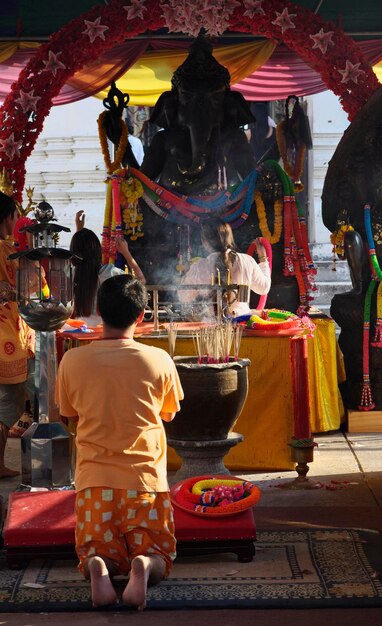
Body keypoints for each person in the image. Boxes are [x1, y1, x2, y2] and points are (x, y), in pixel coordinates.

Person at [55, 274, 183, 609]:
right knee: (159, 555)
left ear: (98, 311)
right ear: (141, 316)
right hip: (146, 485)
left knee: (96, 550)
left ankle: (98, 566)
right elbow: (169, 414)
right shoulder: (159, 360)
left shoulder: (72, 360)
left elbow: (69, 414)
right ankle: (144, 566)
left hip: (94, 485)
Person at [0, 191, 35, 478]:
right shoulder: (6, 251)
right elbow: (34, 287)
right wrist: (33, 253)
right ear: (8, 219)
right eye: (14, 216)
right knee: (6, 404)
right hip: (6, 338)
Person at [180, 218, 271, 318]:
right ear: (230, 238)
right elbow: (264, 288)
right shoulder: (247, 261)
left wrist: (185, 273)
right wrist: (263, 259)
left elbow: (184, 297)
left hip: (210, 326)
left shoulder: (199, 266)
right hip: (241, 325)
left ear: (205, 242)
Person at [70, 211, 145, 327]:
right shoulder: (109, 272)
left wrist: (79, 231)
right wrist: (126, 252)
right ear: (97, 250)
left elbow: (81, 256)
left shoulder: (70, 273)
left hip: (78, 330)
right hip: (103, 331)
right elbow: (140, 281)